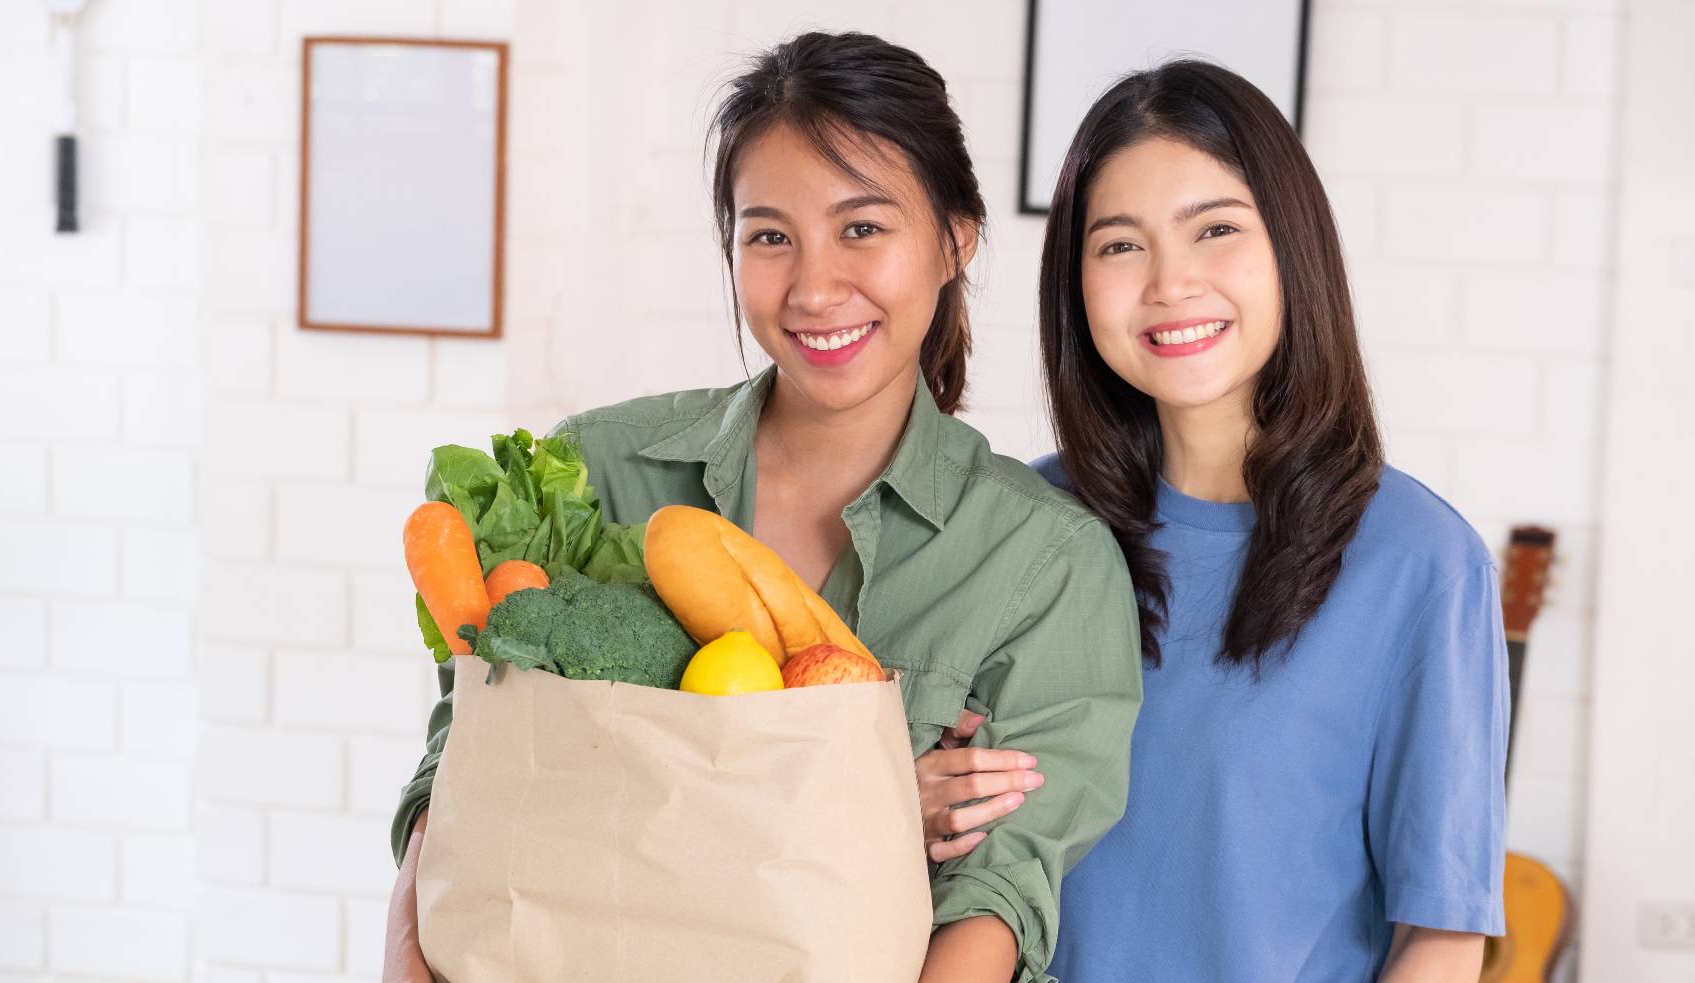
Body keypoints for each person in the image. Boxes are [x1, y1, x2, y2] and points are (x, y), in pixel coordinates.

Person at [382, 32, 1143, 983]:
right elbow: (465, 767)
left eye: (862, 227)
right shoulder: (601, 473)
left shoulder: (1040, 561)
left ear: (956, 238)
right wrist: (406, 953)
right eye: (770, 235)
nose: (815, 287)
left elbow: (1001, 894)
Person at [928, 60, 1508, 981]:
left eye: (1216, 230)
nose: (1170, 283)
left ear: (1294, 246)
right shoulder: (1023, 528)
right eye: (1120, 245)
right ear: (1073, 283)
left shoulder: (1423, 562)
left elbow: (1439, 933)